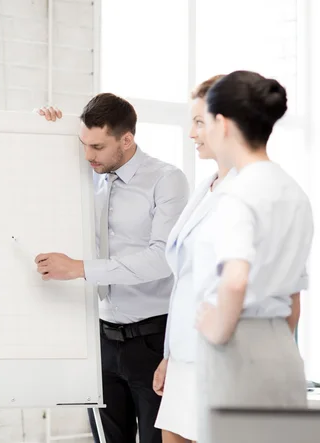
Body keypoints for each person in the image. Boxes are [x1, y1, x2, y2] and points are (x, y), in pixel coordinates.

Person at [37, 93, 190, 443]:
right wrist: (41, 125)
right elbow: (36, 175)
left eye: (98, 146)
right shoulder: (86, 175)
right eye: (84, 145)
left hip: (153, 340)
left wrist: (80, 269)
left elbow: (161, 259)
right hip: (101, 339)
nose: (89, 155)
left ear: (127, 139)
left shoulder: (166, 180)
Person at [193, 71, 312, 442]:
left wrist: (216, 327)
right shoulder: (294, 192)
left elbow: (235, 278)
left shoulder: (239, 194)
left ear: (223, 124)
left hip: (238, 349)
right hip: (284, 350)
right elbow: (294, 300)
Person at [151, 75, 235, 443]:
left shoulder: (253, 190)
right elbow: (184, 281)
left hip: (223, 361)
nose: (191, 133)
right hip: (187, 354)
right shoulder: (207, 186)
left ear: (225, 124)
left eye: (199, 122)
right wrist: (171, 353)